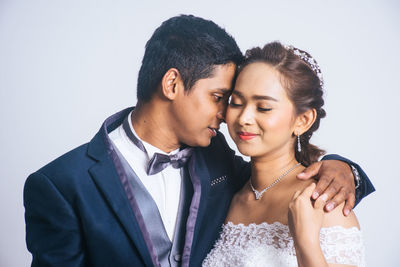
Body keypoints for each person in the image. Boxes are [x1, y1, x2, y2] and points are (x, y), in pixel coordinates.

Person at [24, 16, 374, 267]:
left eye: (257, 105)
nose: (230, 116)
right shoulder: (60, 185)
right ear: (173, 85)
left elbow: (280, 174)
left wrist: (344, 170)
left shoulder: (218, 159)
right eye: (224, 98)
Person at [202, 42, 369, 267]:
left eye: (263, 107)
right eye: (237, 103)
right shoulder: (228, 193)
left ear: (303, 120)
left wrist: (306, 242)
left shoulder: (326, 201)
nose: (244, 118)